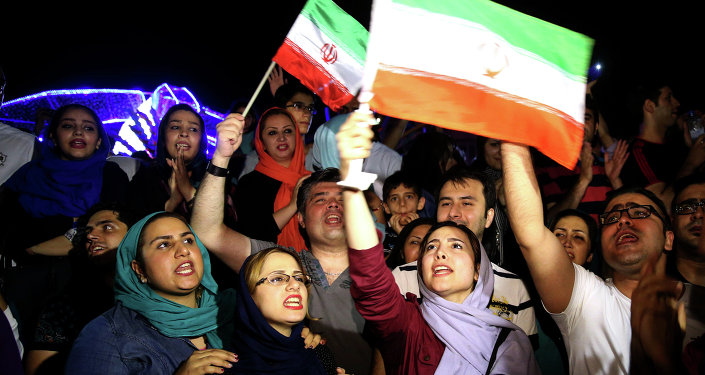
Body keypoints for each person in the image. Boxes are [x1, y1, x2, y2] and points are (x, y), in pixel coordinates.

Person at [337, 114, 539, 374]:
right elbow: (371, 277)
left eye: (456, 246)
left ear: (479, 269)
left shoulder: (511, 344)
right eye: (430, 247)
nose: (440, 252)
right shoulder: (409, 325)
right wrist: (351, 182)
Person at [191, 112, 377, 375]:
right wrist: (221, 157)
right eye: (320, 199)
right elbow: (207, 231)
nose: (333, 204)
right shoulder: (278, 265)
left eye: (341, 198)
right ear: (300, 218)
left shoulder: (383, 268)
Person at [502, 141, 675, 374]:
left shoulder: (698, 304)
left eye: (639, 213)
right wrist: (513, 136)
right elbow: (531, 232)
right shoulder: (585, 298)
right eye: (612, 218)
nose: (623, 220)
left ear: (669, 239)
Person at [0, 103, 129, 347]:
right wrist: (72, 236)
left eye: (88, 128)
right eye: (68, 126)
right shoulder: (27, 176)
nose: (78, 133)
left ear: (99, 141)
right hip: (26, 292)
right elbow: (11, 237)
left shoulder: (111, 175)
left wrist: (36, 248)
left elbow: (113, 232)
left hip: (91, 291)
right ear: (52, 135)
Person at [65, 211, 239, 374]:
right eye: (164, 244)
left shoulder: (236, 310)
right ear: (139, 269)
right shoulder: (106, 336)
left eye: (188, 241)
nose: (183, 251)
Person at [25, 202, 137, 375]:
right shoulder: (66, 305)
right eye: (87, 231)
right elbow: (37, 369)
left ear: (135, 236)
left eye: (107, 227)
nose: (91, 235)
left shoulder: (157, 292)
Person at [227, 247, 342, 374]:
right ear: (248, 296)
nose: (295, 284)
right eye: (277, 278)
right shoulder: (222, 366)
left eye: (299, 278)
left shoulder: (319, 354)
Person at [234, 107, 310, 250]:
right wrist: (293, 205)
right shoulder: (249, 184)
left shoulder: (312, 181)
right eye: (272, 132)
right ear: (261, 143)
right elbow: (252, 238)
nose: (281, 138)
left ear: (297, 137)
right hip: (268, 267)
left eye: (287, 131)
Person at [380, 171, 426, 267]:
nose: (402, 204)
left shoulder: (431, 231)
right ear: (386, 207)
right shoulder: (381, 236)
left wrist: (408, 234)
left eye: (409, 197)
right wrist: (402, 237)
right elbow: (379, 271)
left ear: (420, 203)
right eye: (394, 198)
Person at [390, 217, 435, 297]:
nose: (422, 249)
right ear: (402, 253)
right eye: (415, 242)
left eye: (431, 244)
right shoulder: (395, 277)